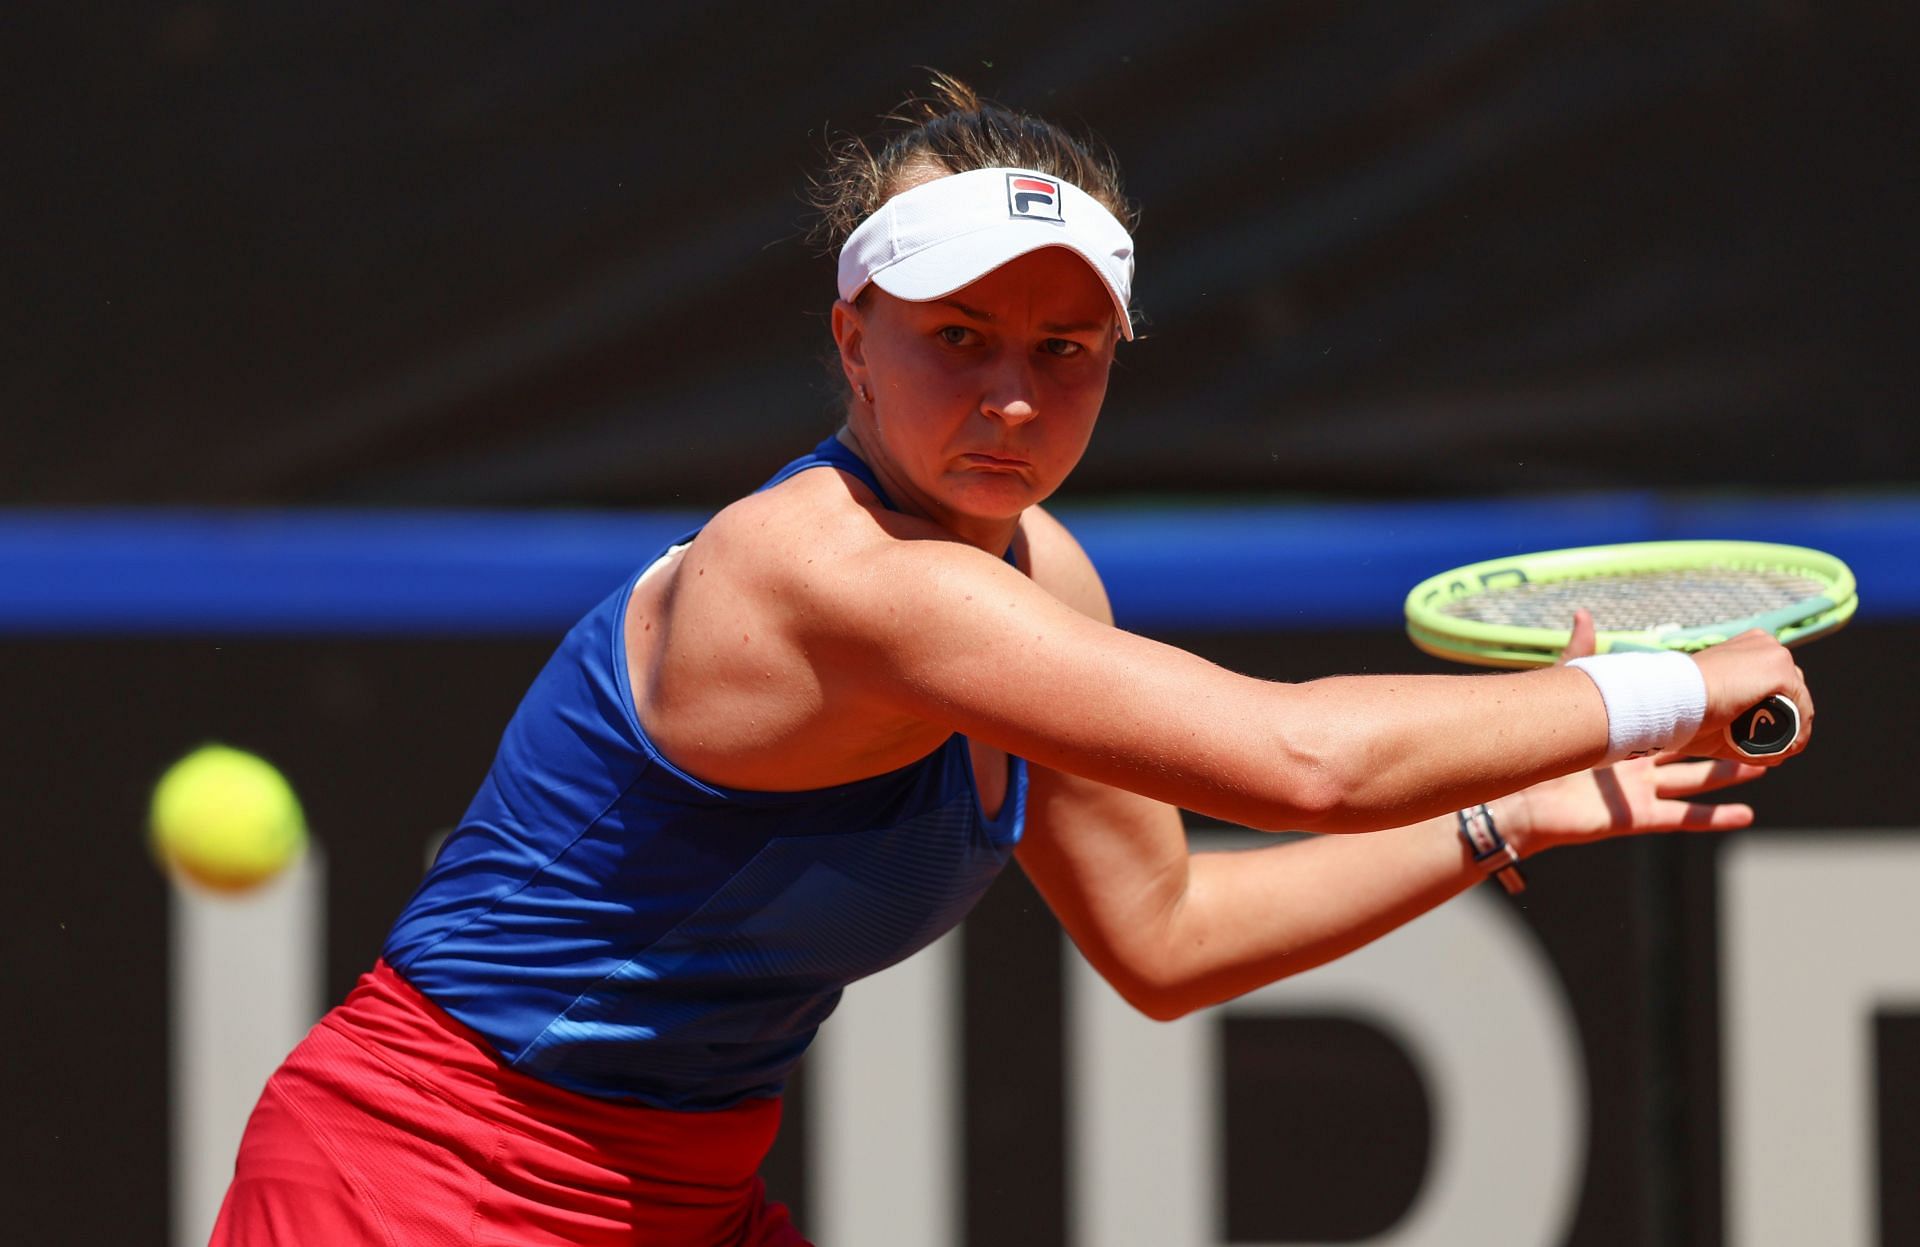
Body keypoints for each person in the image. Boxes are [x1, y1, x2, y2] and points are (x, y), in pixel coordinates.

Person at [210, 77, 1812, 1247]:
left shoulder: (1041, 575)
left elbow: (1167, 935)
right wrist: (1671, 680)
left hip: (676, 1197)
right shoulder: (819, 573)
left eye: (1065, 351)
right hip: (413, 1188)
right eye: (955, 339)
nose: (1015, 399)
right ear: (851, 339)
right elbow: (1296, 762)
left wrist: (1517, 814)